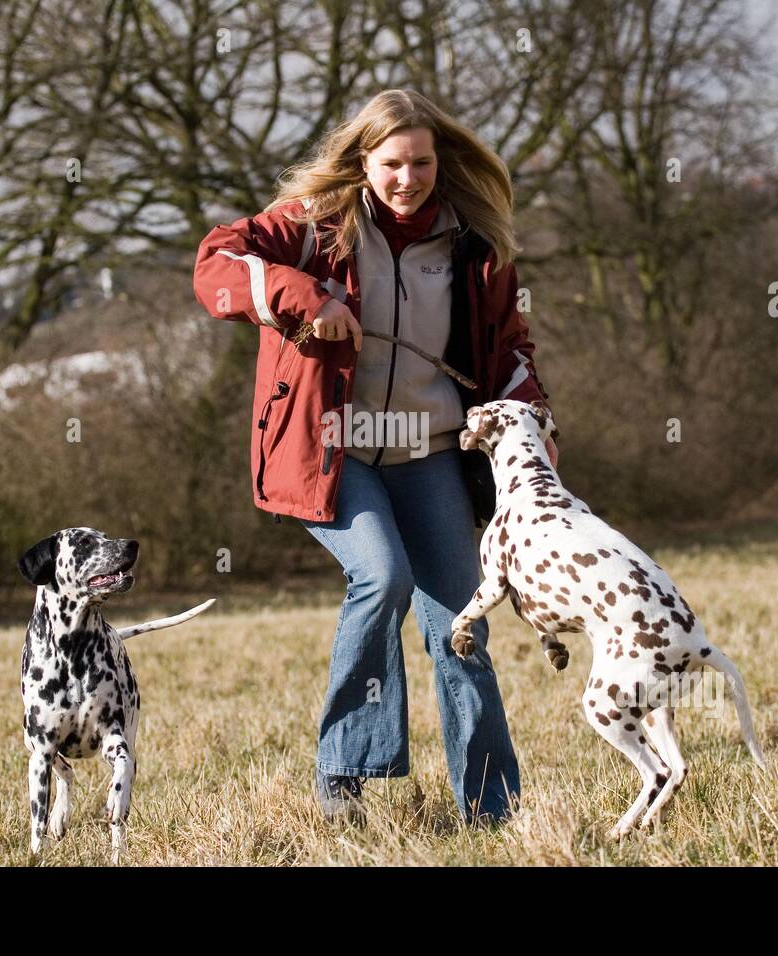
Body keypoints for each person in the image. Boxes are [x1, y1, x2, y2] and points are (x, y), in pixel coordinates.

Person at [192, 89, 556, 825]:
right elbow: (215, 262)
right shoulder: (314, 229)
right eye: (392, 163)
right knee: (382, 575)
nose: (407, 178)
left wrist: (537, 427)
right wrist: (305, 300)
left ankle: (493, 810)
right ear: (365, 161)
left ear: (438, 160)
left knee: (463, 625)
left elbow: (511, 350)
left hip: (430, 455)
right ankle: (344, 779)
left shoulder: (475, 245)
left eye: (421, 162)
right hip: (334, 453)